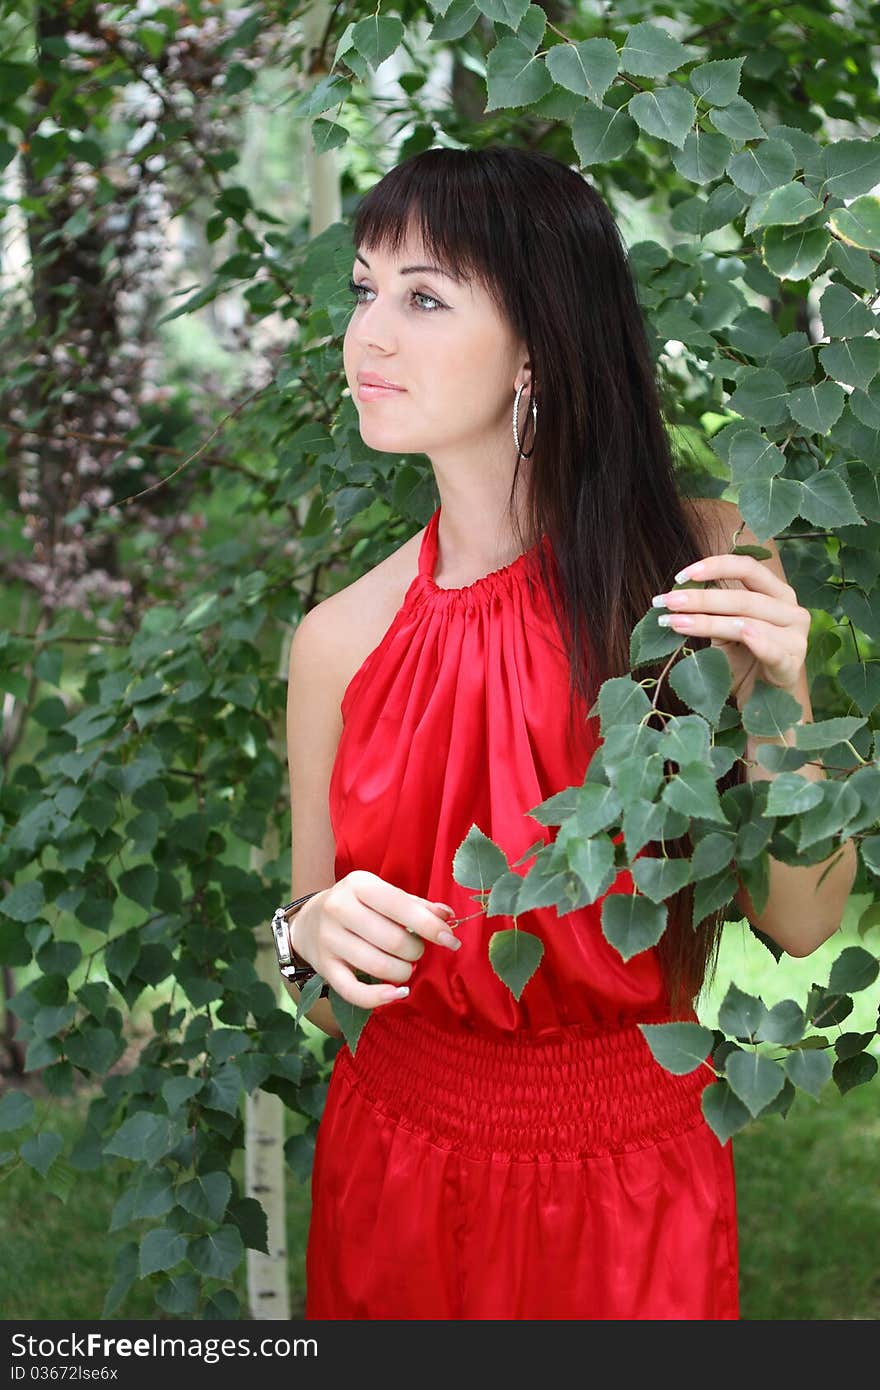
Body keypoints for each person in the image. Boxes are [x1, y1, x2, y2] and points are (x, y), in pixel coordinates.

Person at [280, 145, 813, 1320]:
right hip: (397, 1164)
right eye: (364, 291)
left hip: (632, 1176)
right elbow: (322, 988)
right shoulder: (338, 641)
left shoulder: (693, 571)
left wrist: (787, 695)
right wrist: (308, 932)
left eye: (423, 296)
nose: (368, 335)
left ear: (538, 342)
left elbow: (804, 916)